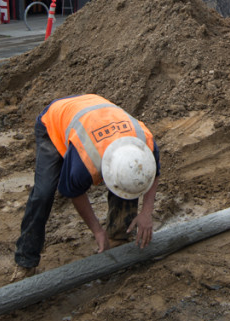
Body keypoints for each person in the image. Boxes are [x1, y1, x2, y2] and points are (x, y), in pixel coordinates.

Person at [14, 94, 161, 274]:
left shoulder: (144, 143)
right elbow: (73, 191)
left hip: (94, 110)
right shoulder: (86, 161)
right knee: (43, 193)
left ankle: (118, 238)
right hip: (54, 119)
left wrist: (146, 213)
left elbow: (153, 175)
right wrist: (97, 230)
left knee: (127, 183)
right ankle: (25, 260)